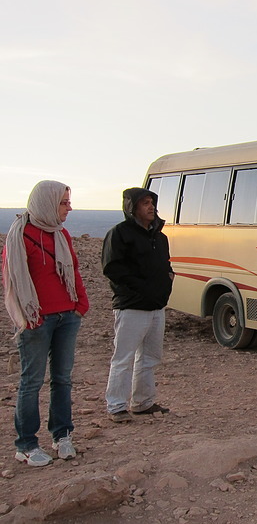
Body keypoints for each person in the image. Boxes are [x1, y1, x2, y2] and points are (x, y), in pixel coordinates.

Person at [2, 181, 89, 466]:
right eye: (64, 202)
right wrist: (28, 316)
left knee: (62, 379)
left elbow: (73, 270)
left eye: (68, 201)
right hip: (36, 319)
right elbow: (13, 281)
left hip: (67, 316)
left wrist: (80, 305)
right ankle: (26, 444)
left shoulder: (61, 234)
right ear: (48, 202)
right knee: (32, 382)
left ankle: (62, 435)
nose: (69, 208)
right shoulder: (21, 236)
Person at [102, 187, 174, 422]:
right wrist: (142, 288)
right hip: (131, 307)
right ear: (132, 207)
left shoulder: (160, 237)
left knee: (150, 357)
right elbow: (112, 268)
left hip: (156, 307)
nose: (151, 207)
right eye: (145, 203)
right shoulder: (120, 233)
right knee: (123, 358)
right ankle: (116, 406)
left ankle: (143, 402)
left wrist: (167, 281)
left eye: (152, 202)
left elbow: (165, 265)